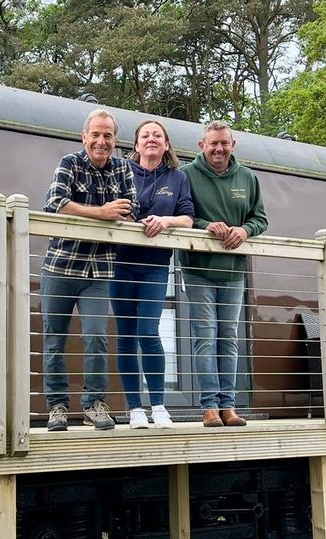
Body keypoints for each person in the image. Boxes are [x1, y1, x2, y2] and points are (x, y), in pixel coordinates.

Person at [41, 109, 138, 431]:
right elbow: (55, 202)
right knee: (55, 338)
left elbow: (130, 210)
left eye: (107, 135)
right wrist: (101, 212)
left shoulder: (123, 168)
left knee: (96, 336)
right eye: (95, 134)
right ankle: (57, 406)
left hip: (100, 271)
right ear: (85, 138)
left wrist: (104, 213)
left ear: (115, 140)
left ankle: (94, 404)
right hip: (61, 266)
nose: (101, 141)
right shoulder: (70, 163)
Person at [179, 120, 268, 427]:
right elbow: (182, 214)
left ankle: (229, 406)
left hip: (234, 270)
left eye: (224, 143)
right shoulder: (186, 175)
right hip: (198, 269)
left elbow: (260, 219)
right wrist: (206, 226)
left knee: (228, 337)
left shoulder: (248, 177)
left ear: (233, 145)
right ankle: (209, 407)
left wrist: (245, 230)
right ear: (202, 146)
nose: (218, 148)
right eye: (212, 143)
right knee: (206, 335)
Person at [111, 120, 194, 429]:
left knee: (148, 332)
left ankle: (158, 404)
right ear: (136, 144)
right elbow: (111, 206)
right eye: (144, 135)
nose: (151, 139)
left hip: (156, 264)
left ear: (166, 144)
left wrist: (165, 220)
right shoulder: (122, 171)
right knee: (126, 335)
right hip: (120, 263)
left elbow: (188, 218)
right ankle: (135, 409)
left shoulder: (177, 178)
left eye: (157, 135)